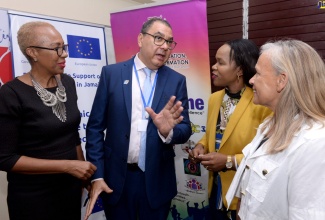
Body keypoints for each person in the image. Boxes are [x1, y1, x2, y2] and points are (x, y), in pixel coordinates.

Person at [84, 17, 192, 220]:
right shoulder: (112, 74)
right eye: (159, 38)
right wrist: (97, 175)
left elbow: (185, 129)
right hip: (116, 180)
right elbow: (95, 128)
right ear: (141, 39)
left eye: (169, 42)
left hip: (157, 181)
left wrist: (167, 131)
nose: (165, 46)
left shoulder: (177, 80)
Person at [0, 21, 96, 220]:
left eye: (64, 47)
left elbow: (72, 134)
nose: (64, 54)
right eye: (56, 48)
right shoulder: (11, 93)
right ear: (33, 52)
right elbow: (5, 158)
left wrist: (82, 173)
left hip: (69, 188)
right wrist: (67, 166)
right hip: (33, 197)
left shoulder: (68, 83)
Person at [226, 39, 325, 219]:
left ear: (281, 81)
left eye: (258, 74)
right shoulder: (269, 125)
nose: (251, 80)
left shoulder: (314, 144)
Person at [188, 39, 272, 219]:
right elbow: (214, 134)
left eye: (220, 62)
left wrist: (228, 161)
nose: (213, 67)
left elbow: (268, 155)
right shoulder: (214, 99)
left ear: (239, 70)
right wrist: (201, 145)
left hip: (243, 194)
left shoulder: (262, 104)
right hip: (215, 190)